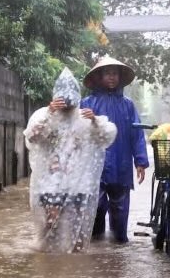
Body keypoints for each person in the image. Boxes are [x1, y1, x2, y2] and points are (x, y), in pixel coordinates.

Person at [23, 68, 117, 253]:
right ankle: (46, 256)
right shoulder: (44, 115)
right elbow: (32, 137)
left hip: (78, 183)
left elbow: (107, 136)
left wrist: (95, 121)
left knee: (77, 227)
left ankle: (73, 261)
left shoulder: (84, 119)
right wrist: (50, 112)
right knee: (49, 223)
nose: (66, 105)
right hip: (51, 182)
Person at [80, 57, 150, 243]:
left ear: (119, 77)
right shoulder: (87, 103)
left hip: (122, 165)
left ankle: (117, 251)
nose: (111, 77)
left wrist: (141, 162)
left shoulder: (128, 105)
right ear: (99, 77)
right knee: (96, 208)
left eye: (115, 74)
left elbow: (136, 134)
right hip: (95, 167)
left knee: (120, 213)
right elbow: (76, 133)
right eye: (107, 73)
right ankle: (97, 252)